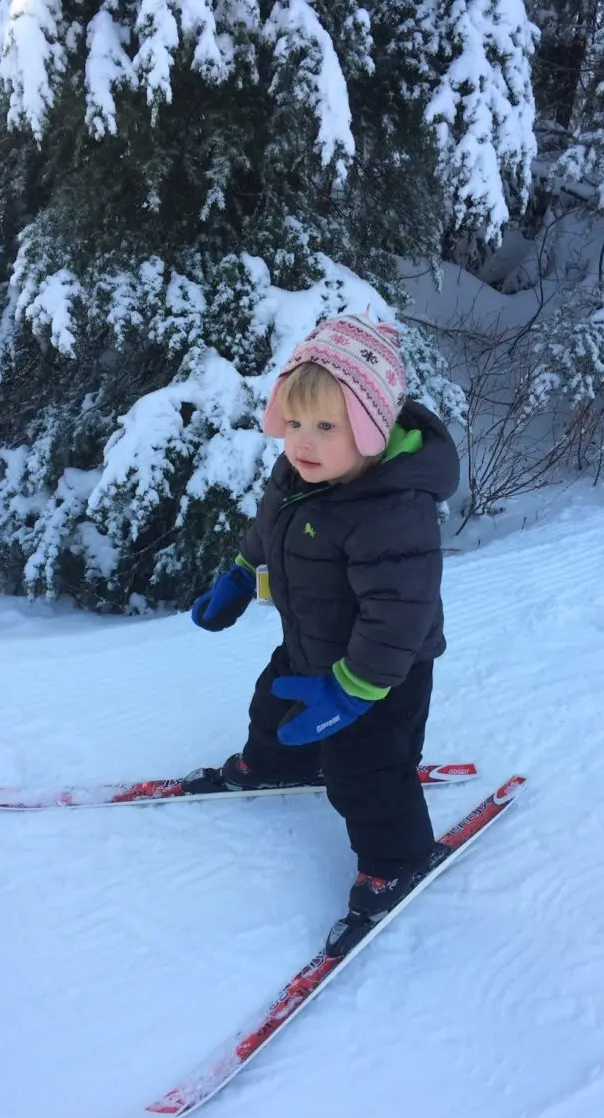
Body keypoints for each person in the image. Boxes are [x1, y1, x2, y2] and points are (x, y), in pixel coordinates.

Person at [190, 313, 460, 955]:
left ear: (371, 429)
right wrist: (239, 572)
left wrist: (354, 689)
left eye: (327, 427)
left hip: (380, 675)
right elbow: (269, 531)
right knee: (272, 703)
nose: (303, 443)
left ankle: (399, 859)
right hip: (309, 644)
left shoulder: (392, 511)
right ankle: (274, 763)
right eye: (296, 423)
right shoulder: (299, 476)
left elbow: (401, 612)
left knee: (366, 770)